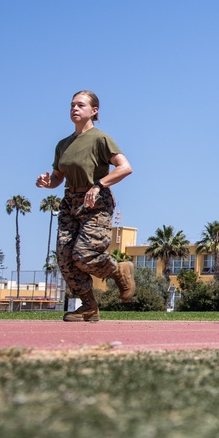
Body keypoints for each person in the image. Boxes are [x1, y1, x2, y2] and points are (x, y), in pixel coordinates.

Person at [36, 91, 135, 322]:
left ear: (94, 110)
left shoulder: (100, 139)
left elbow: (125, 168)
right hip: (70, 201)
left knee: (83, 254)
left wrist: (99, 185)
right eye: (72, 105)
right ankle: (89, 307)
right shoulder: (63, 144)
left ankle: (118, 270)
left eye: (81, 105)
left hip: (96, 203)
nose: (74, 109)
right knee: (65, 257)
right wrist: (46, 183)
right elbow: (58, 177)